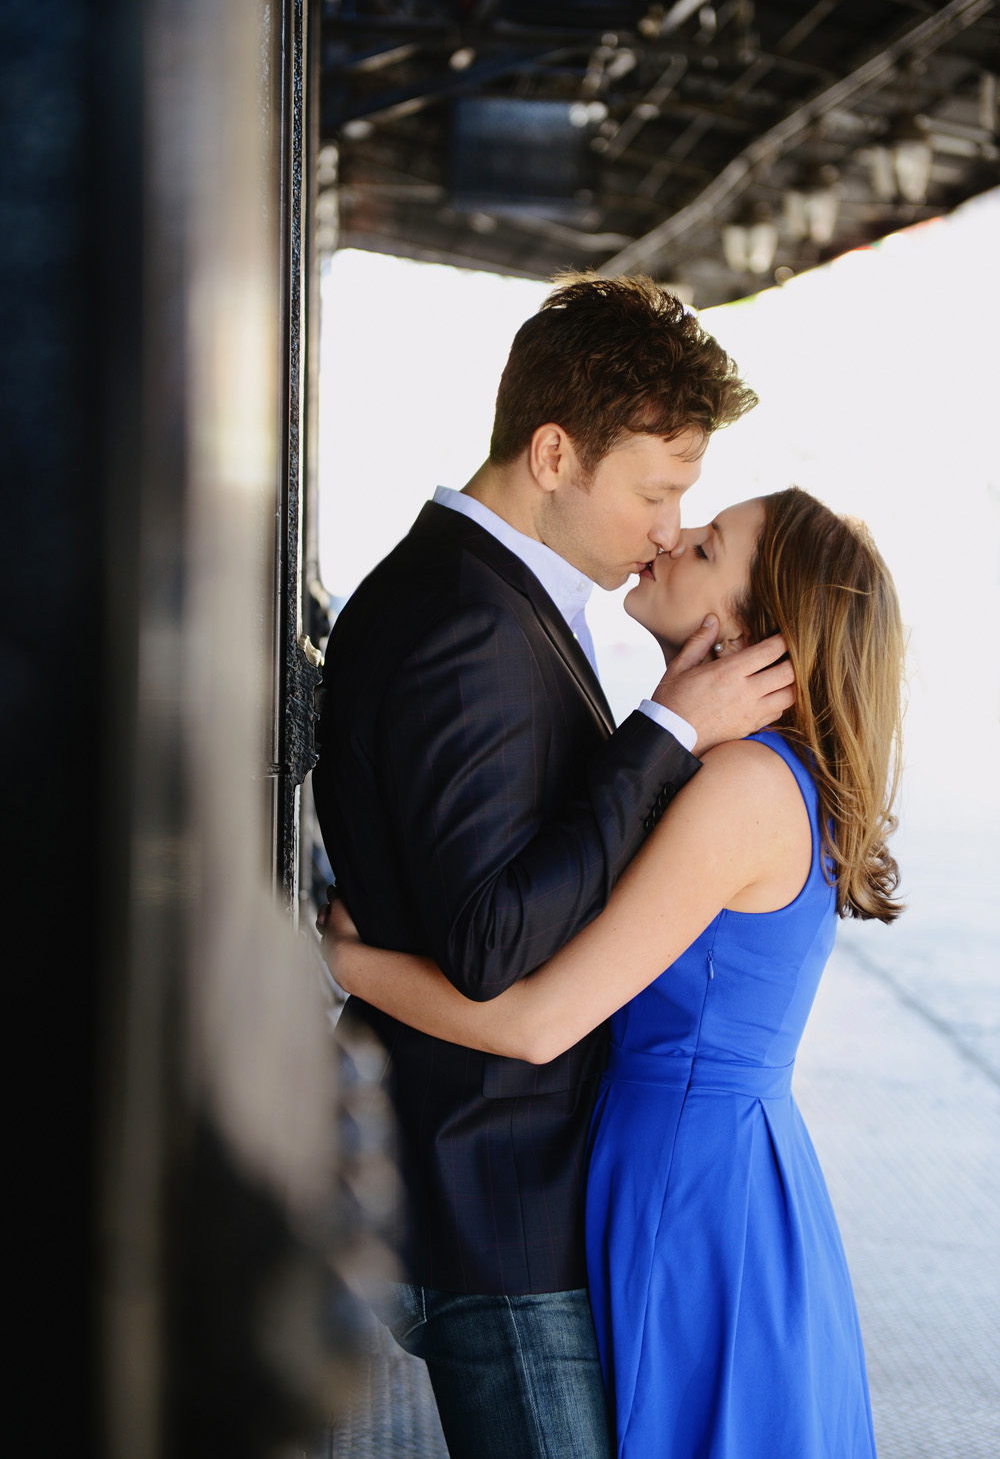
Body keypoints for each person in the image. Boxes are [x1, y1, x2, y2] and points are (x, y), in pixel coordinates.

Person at [310, 274, 794, 1459]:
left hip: (512, 1199)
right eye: (656, 489)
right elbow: (487, 947)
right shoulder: (464, 623)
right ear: (553, 452)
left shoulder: (492, 597)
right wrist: (662, 738)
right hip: (502, 1211)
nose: (669, 526)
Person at [323, 486, 905, 1459]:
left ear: (758, 631)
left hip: (692, 1185)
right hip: (696, 1162)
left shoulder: (740, 789)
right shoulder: (752, 771)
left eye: (707, 545)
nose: (672, 537)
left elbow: (538, 1022)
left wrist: (345, 959)